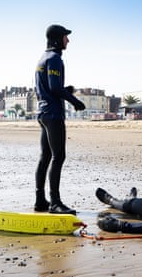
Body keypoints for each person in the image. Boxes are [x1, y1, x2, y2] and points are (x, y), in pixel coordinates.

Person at [34, 24, 86, 215]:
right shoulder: (55, 58)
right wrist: (75, 101)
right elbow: (55, 88)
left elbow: (47, 86)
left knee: (45, 156)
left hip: (43, 113)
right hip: (53, 114)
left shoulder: (42, 58)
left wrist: (67, 90)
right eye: (65, 36)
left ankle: (40, 200)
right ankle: (55, 203)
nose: (68, 40)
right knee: (58, 156)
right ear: (57, 39)